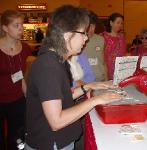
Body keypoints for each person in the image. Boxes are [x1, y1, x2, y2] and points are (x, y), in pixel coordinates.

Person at [25, 5, 124, 150]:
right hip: (50, 143)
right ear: (67, 34)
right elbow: (56, 121)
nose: (86, 38)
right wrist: (97, 100)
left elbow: (62, 98)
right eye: (82, 33)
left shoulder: (59, 60)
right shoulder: (48, 67)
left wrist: (88, 87)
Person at [0, 10, 32, 150]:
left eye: (22, 25)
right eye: (16, 25)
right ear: (5, 28)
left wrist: (28, 96)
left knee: (17, 136)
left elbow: (21, 75)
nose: (21, 28)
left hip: (18, 99)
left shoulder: (25, 48)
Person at [101, 13, 126, 80]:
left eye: (121, 23)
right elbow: (101, 56)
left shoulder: (122, 37)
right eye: (118, 22)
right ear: (111, 23)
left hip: (120, 68)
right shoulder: (103, 36)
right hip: (107, 69)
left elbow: (123, 54)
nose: (120, 25)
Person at [83, 10, 106, 82]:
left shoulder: (101, 40)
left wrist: (106, 80)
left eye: (93, 26)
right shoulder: (77, 41)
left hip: (100, 80)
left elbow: (103, 62)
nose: (91, 30)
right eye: (89, 26)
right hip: (84, 82)